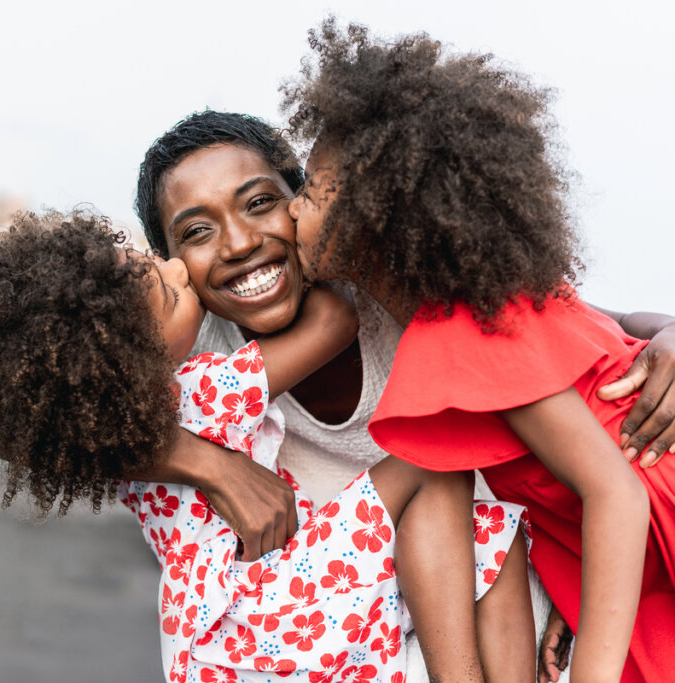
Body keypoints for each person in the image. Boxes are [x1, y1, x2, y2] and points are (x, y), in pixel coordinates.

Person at [132, 109, 675, 680]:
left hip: (520, 573)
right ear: (168, 263)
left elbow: (584, 328)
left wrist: (670, 331)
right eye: (197, 231)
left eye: (263, 202)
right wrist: (211, 464)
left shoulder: (405, 287)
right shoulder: (197, 348)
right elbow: (68, 424)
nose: (240, 243)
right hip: (340, 618)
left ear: (304, 204)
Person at [0, 209, 534, 681]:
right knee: (438, 472)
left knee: (477, 526)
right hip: (279, 600)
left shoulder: (94, 429)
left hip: (217, 646)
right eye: (168, 292)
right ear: (137, 358)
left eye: (155, 261)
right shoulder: (203, 391)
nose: (176, 269)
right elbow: (333, 321)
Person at [281, 17, 675, 682]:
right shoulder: (493, 302)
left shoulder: (466, 329)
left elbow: (618, 495)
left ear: (380, 217)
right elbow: (619, 326)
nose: (292, 212)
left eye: (313, 192)